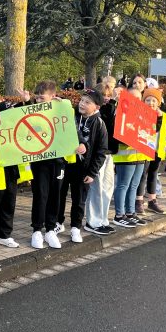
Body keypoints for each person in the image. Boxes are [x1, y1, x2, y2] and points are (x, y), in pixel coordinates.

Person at [60, 89, 109, 241]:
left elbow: (101, 152)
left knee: (79, 199)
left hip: (84, 169)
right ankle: (58, 222)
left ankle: (75, 227)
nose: (82, 104)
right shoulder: (72, 116)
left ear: (97, 107)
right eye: (81, 100)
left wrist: (92, 173)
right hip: (66, 164)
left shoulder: (99, 124)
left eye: (88, 102)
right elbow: (61, 109)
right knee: (60, 195)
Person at [0, 101, 30, 249]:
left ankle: (5, 235)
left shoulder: (18, 128)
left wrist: (27, 102)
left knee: (9, 204)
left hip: (12, 172)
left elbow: (30, 120)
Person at [24, 81, 67, 249]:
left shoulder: (62, 110)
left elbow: (71, 128)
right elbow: (23, 121)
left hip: (58, 162)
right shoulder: (34, 112)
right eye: (37, 98)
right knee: (40, 194)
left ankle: (50, 230)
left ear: (53, 97)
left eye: (42, 97)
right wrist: (27, 103)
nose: (38, 101)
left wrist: (82, 143)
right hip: (39, 161)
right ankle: (36, 230)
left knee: (55, 195)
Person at [111, 87, 149, 228]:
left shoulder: (143, 114)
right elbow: (117, 134)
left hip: (140, 155)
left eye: (138, 98)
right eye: (132, 98)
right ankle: (119, 215)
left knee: (134, 186)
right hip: (125, 157)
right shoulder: (120, 113)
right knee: (123, 185)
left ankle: (130, 213)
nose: (135, 101)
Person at [86, 83, 118, 235]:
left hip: (109, 153)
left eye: (109, 95)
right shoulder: (96, 114)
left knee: (107, 188)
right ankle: (92, 221)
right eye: (103, 95)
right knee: (96, 189)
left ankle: (103, 219)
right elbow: (105, 119)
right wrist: (111, 104)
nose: (106, 98)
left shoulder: (113, 109)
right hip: (98, 154)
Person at [136, 88, 166, 214]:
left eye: (153, 100)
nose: (151, 103)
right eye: (147, 100)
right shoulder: (140, 114)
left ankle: (152, 201)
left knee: (153, 175)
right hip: (144, 150)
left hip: (158, 151)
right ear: (143, 101)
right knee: (142, 176)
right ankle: (139, 201)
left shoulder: (165, 117)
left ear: (158, 102)